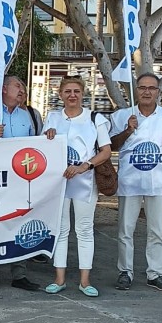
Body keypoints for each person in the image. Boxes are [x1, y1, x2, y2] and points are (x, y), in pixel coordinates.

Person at [109, 73, 162, 293]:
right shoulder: (123, 115)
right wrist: (128, 130)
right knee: (125, 229)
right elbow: (112, 145)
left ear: (158, 92)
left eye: (151, 88)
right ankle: (125, 271)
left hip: (159, 182)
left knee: (157, 230)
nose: (146, 92)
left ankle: (155, 273)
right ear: (136, 90)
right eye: (142, 87)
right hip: (129, 181)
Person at [42, 75, 112, 297]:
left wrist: (86, 165)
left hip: (84, 182)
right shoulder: (52, 117)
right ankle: (59, 278)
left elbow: (106, 151)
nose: (72, 95)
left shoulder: (95, 119)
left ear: (83, 94)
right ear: (61, 94)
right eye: (68, 91)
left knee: (84, 230)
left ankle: (85, 280)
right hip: (59, 182)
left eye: (77, 91)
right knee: (61, 230)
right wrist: (47, 136)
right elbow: (43, 148)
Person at [0, 73, 43, 293]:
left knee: (20, 224)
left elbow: (40, 145)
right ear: (3, 89)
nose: (22, 90)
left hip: (22, 181)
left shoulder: (32, 115)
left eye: (23, 86)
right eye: (17, 85)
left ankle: (19, 273)